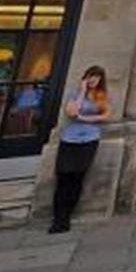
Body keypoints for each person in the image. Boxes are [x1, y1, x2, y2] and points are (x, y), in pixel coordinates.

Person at [50, 65, 110, 233]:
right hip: (69, 139)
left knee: (77, 178)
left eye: (96, 77)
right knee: (63, 178)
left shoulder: (101, 96)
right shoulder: (74, 95)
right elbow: (71, 112)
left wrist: (85, 118)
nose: (93, 80)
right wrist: (82, 92)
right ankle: (58, 219)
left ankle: (66, 217)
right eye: (91, 76)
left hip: (89, 139)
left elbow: (106, 115)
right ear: (85, 77)